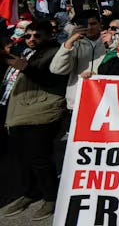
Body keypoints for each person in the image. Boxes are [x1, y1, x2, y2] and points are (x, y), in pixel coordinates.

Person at [2, 21, 67, 220]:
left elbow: (53, 80)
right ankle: (30, 192)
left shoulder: (55, 52)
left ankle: (50, 197)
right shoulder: (26, 51)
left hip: (41, 111)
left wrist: (26, 68)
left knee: (40, 158)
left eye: (37, 36)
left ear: (49, 35)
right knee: (22, 157)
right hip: (19, 109)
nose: (31, 39)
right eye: (28, 35)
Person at [49, 10, 107, 125]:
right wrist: (69, 42)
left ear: (100, 25)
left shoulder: (112, 43)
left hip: (104, 103)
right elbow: (57, 69)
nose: (89, 28)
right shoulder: (74, 44)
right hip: (77, 103)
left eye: (93, 24)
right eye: (85, 24)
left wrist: (112, 45)